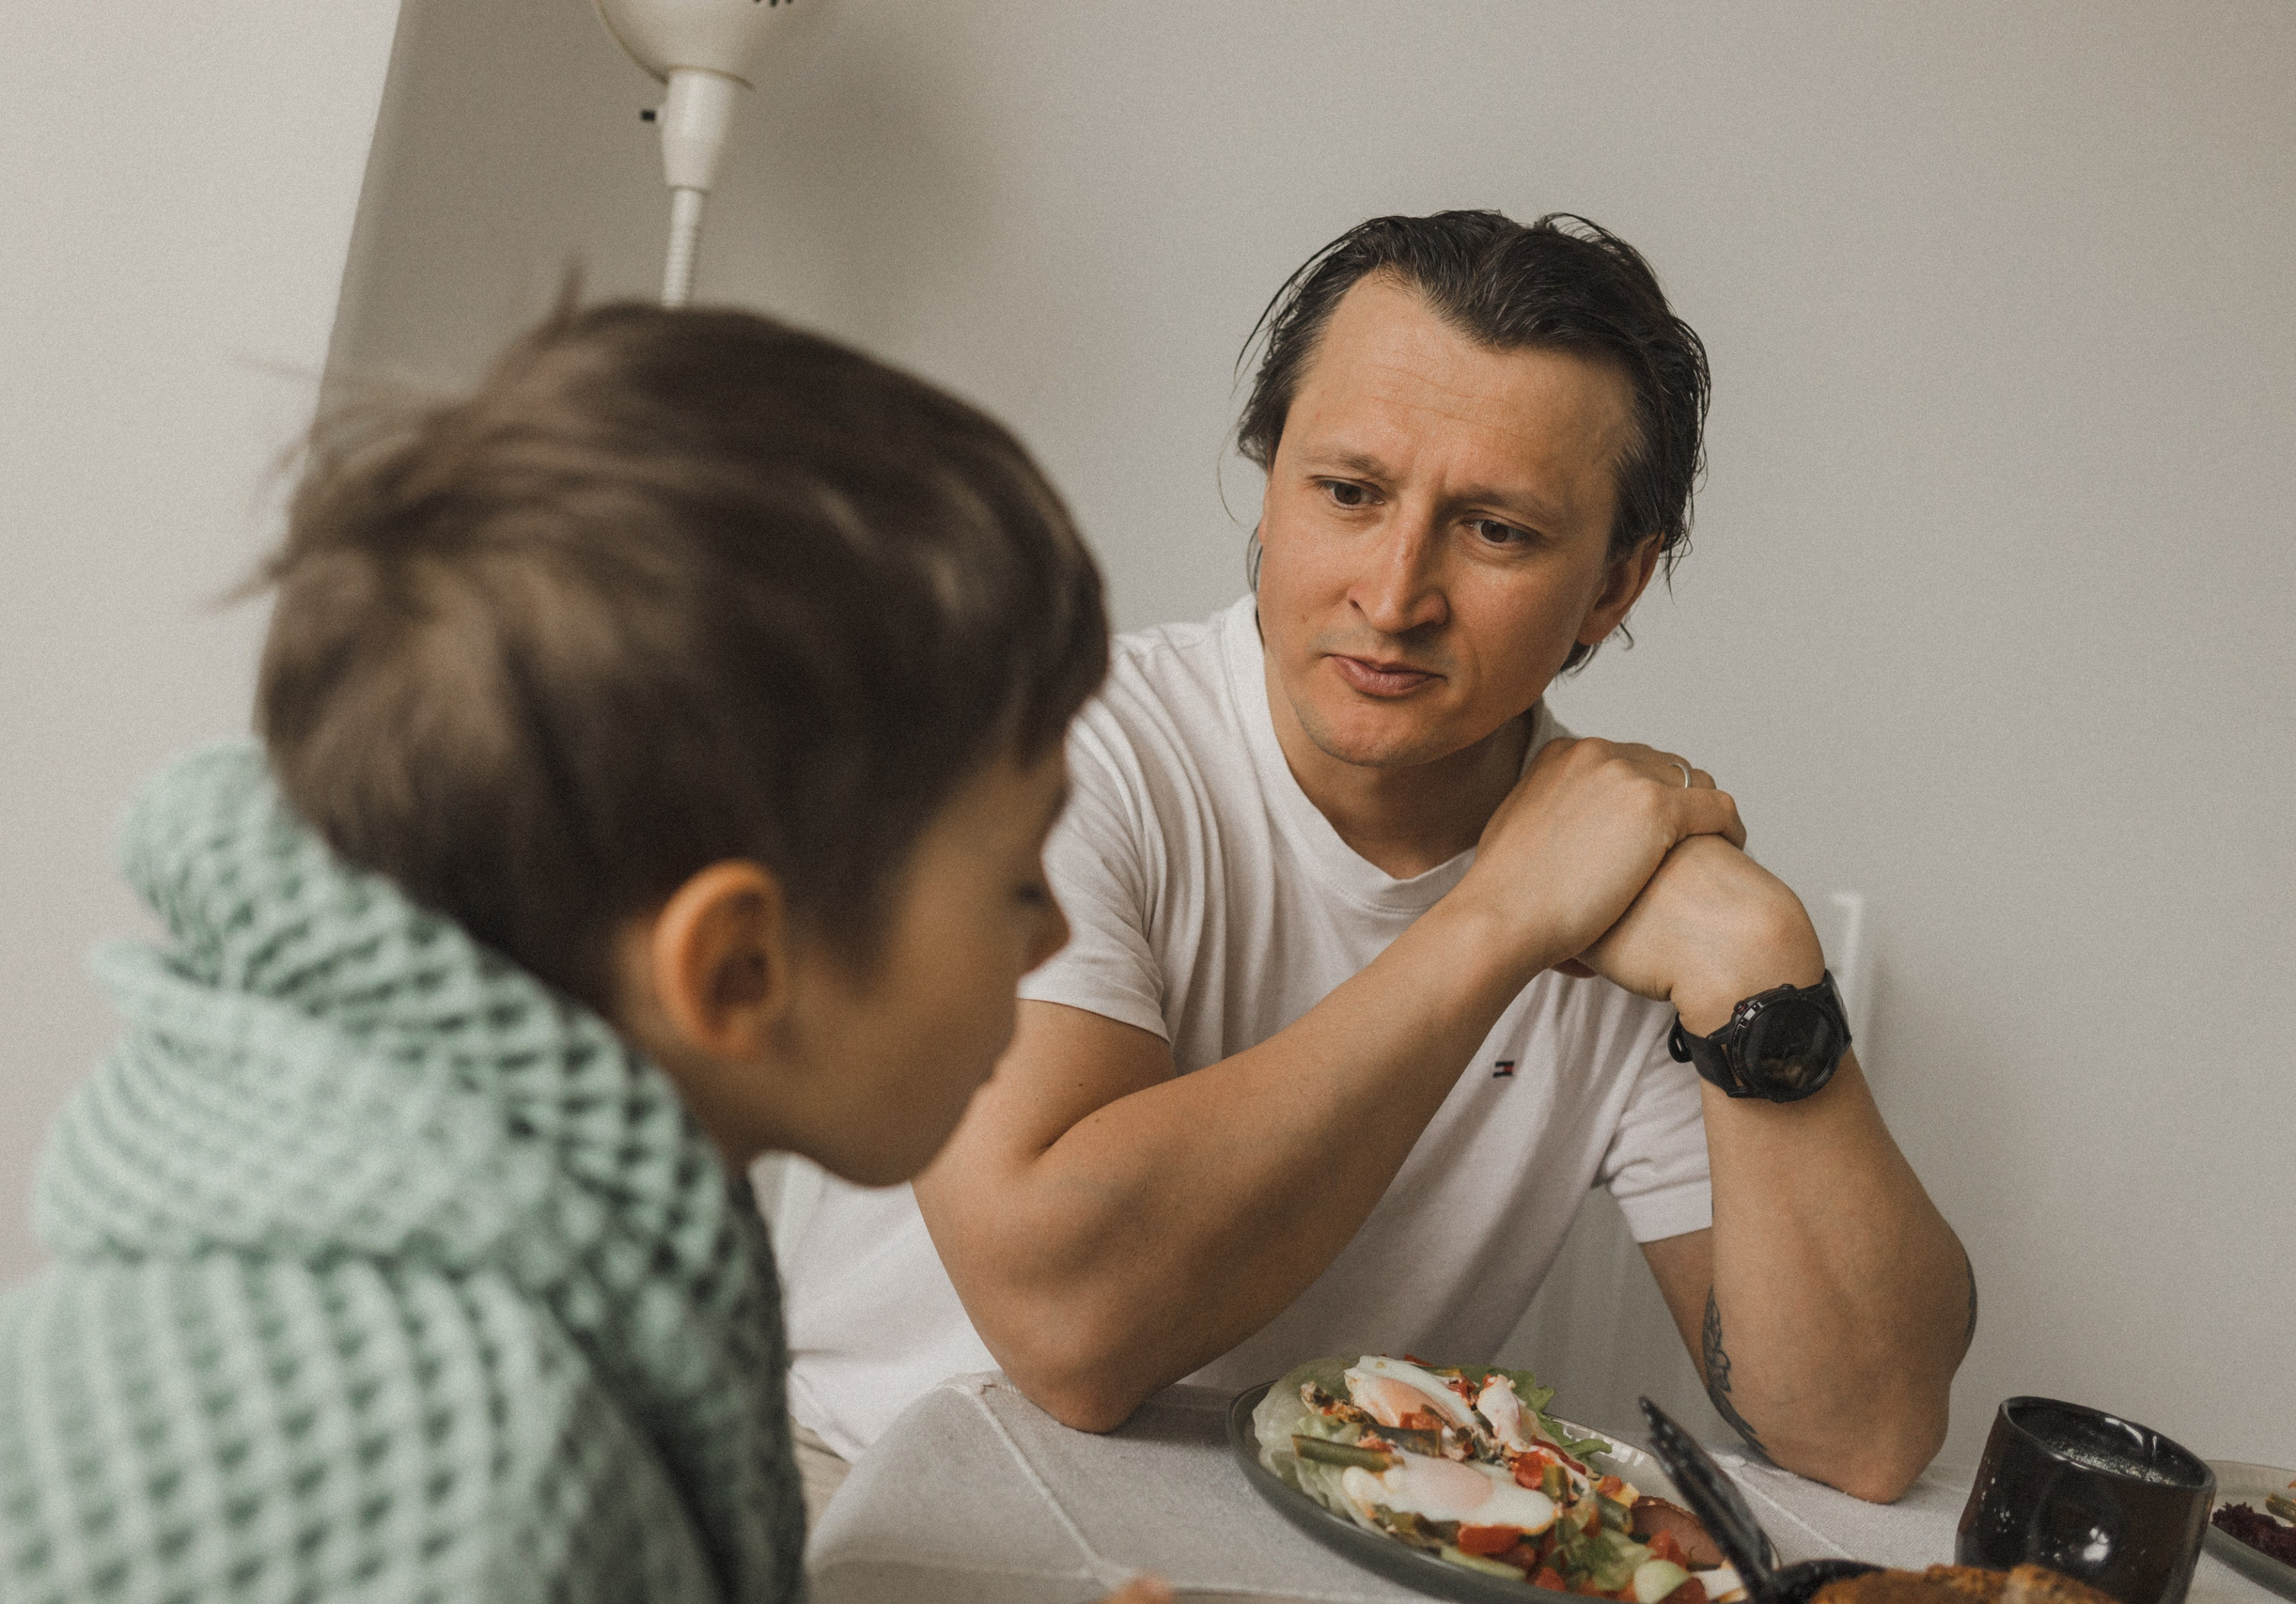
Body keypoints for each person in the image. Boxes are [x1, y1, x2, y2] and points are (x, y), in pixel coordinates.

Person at [0, 304, 1167, 1602]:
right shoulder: (488, 1470)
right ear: (737, 971)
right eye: (1020, 873)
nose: (1053, 932)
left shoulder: (502, 1219)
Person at [782, 211, 1976, 1507]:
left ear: (1614, 588)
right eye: (1349, 494)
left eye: (1497, 532)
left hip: (1283, 1563)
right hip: (861, 1499)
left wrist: (1763, 966)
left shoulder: (1635, 883)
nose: (1396, 592)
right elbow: (1070, 1330)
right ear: (1272, 479)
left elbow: (1861, 1433)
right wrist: (1499, 920)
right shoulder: (1042, 748)